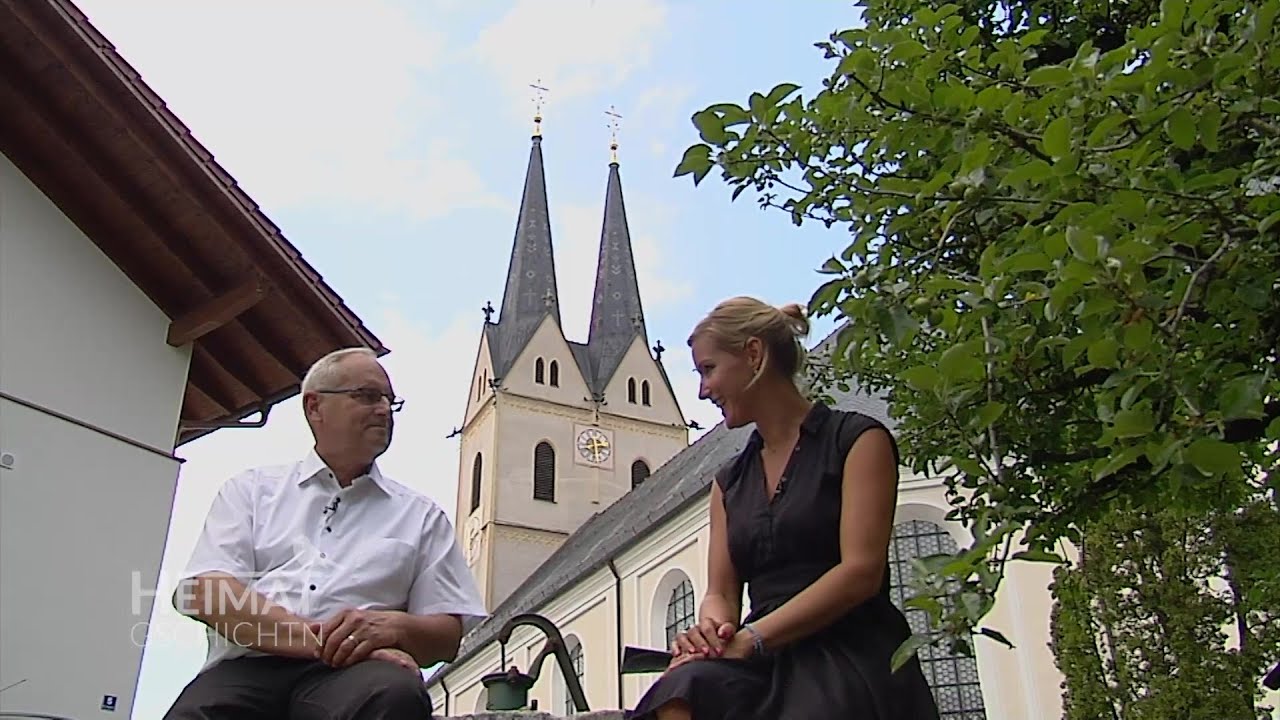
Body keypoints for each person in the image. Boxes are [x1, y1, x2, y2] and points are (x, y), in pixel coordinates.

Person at [627, 297, 940, 720]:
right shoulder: (729, 482)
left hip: (847, 649)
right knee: (679, 690)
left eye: (708, 369)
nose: (703, 390)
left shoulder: (857, 441)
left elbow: (860, 572)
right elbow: (721, 593)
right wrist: (712, 634)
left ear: (753, 354)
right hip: (762, 659)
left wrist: (752, 638)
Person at [163, 347, 487, 720]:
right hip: (247, 667)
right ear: (314, 407)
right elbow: (210, 595)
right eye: (367, 396)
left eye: (389, 400)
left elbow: (447, 637)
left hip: (357, 676)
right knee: (196, 715)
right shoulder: (252, 491)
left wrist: (392, 626)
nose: (383, 409)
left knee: (395, 694)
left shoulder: (423, 516)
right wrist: (324, 641)